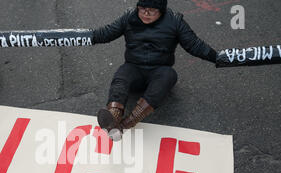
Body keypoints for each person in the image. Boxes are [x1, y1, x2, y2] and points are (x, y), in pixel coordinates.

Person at [92, 0, 217, 141]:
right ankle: (113, 116)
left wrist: (218, 57)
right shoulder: (129, 16)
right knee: (121, 77)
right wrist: (81, 36)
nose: (146, 13)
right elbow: (105, 33)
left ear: (161, 10)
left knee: (169, 76)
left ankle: (126, 124)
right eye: (142, 8)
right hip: (134, 67)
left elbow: (195, 45)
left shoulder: (175, 21)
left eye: (152, 10)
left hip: (160, 69)